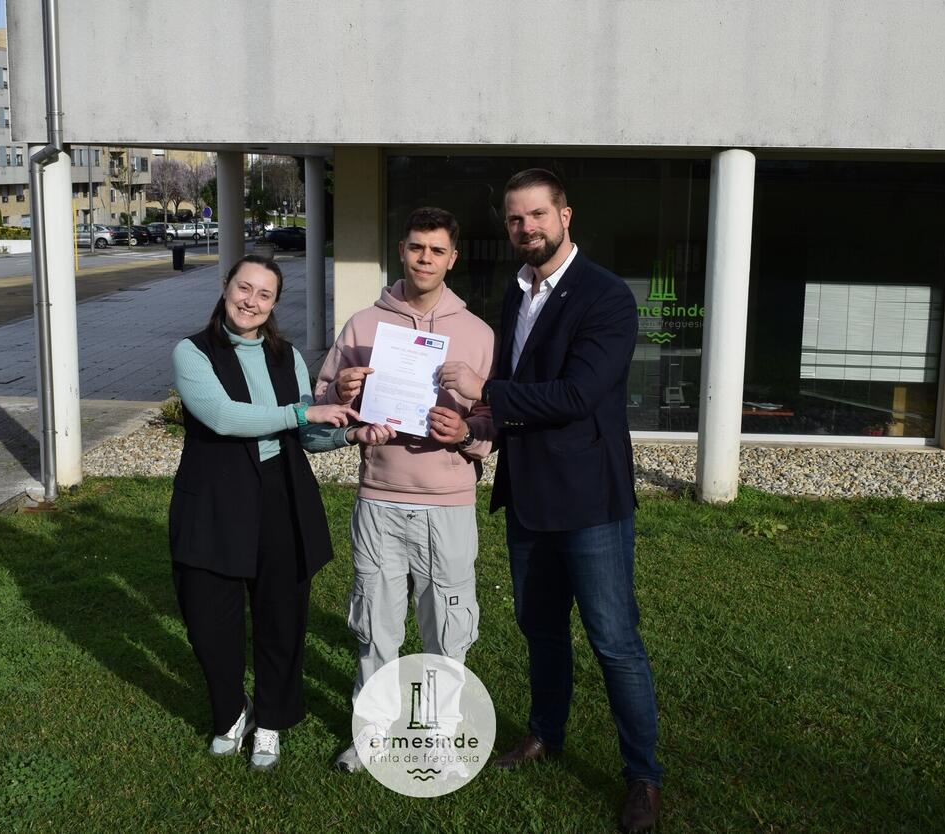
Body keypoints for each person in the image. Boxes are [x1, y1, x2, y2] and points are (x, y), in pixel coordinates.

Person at [438, 169, 663, 832]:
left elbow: (577, 395)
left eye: (537, 214)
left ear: (566, 216)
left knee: (614, 641)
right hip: (529, 495)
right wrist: (474, 424)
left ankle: (643, 776)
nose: (526, 228)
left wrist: (485, 392)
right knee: (540, 630)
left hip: (590, 501)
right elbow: (519, 386)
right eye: (515, 219)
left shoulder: (606, 296)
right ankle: (545, 733)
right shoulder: (518, 292)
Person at [169, 254, 388, 772]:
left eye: (264, 294)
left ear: (273, 304)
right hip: (215, 499)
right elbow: (223, 417)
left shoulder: (285, 356)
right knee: (208, 623)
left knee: (281, 619)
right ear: (226, 286)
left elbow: (306, 433)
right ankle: (232, 712)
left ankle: (271, 718)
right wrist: (301, 411)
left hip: (280, 495)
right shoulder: (192, 352)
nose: (251, 301)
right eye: (244, 288)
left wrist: (349, 433)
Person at [314, 207, 495, 772]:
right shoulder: (363, 325)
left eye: (437, 250)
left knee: (448, 628)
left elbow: (496, 421)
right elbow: (321, 407)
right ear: (401, 251)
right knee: (375, 626)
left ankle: (438, 734)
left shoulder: (478, 333)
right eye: (417, 247)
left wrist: (466, 434)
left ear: (452, 258)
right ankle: (371, 733)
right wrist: (343, 394)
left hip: (448, 503)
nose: (425, 259)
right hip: (381, 496)